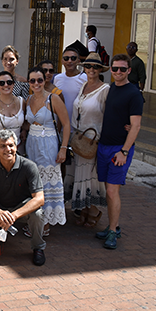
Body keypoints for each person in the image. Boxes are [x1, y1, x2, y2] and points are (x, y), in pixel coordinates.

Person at [0, 129, 47, 266]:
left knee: (38, 214)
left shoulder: (29, 166)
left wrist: (14, 215)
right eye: (3, 146)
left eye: (11, 145)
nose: (8, 149)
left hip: (21, 208)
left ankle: (38, 247)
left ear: (16, 146)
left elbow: (40, 199)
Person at [95, 54, 143, 250]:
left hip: (119, 149)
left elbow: (136, 125)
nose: (118, 72)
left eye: (122, 69)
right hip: (104, 146)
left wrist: (124, 151)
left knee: (112, 191)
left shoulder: (134, 94)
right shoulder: (111, 88)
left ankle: (113, 231)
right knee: (108, 189)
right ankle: (112, 226)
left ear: (129, 70)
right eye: (115, 68)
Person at [23, 66, 68, 237]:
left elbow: (66, 124)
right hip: (32, 144)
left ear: (44, 81)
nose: (36, 83)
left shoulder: (53, 98)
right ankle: (35, 220)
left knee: (47, 183)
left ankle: (45, 223)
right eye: (32, 80)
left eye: (39, 80)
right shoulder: (28, 99)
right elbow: (27, 123)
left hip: (48, 144)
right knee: (33, 182)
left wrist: (63, 148)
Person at [67, 53, 109, 226]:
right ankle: (84, 209)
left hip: (92, 139)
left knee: (89, 175)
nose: (92, 69)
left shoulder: (105, 89)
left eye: (96, 67)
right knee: (80, 174)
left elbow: (109, 115)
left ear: (100, 70)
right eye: (89, 66)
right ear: (84, 68)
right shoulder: (84, 85)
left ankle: (93, 210)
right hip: (79, 138)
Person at [54, 44, 87, 125]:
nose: (69, 61)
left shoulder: (85, 78)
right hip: (60, 125)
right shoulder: (57, 78)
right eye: (66, 58)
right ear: (62, 61)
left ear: (78, 61)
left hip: (78, 126)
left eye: (73, 58)